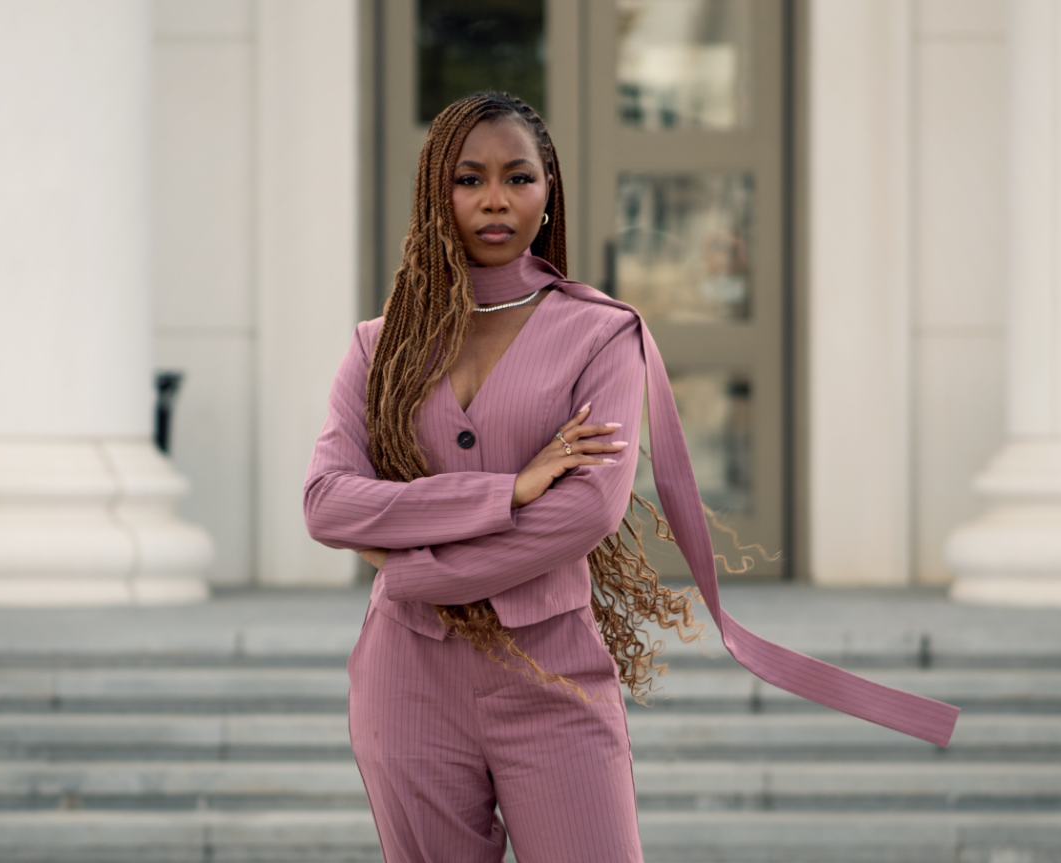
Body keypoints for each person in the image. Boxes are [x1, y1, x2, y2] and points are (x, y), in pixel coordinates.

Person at [304, 92, 958, 863]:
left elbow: (586, 510)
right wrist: (506, 490)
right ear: (433, 193)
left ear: (549, 193)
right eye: (468, 179)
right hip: (405, 678)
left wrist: (414, 570)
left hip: (550, 671)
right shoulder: (377, 345)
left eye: (518, 178)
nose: (493, 200)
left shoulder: (601, 332)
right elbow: (327, 501)